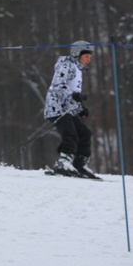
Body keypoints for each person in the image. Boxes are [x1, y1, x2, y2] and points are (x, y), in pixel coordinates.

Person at [43, 40, 98, 178]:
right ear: (76, 54)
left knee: (85, 133)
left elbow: (71, 95)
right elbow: (57, 86)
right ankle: (63, 162)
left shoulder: (77, 69)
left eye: (90, 57)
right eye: (86, 57)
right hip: (57, 108)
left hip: (67, 109)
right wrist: (75, 94)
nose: (89, 60)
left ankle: (79, 165)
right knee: (70, 134)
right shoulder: (66, 65)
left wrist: (80, 109)